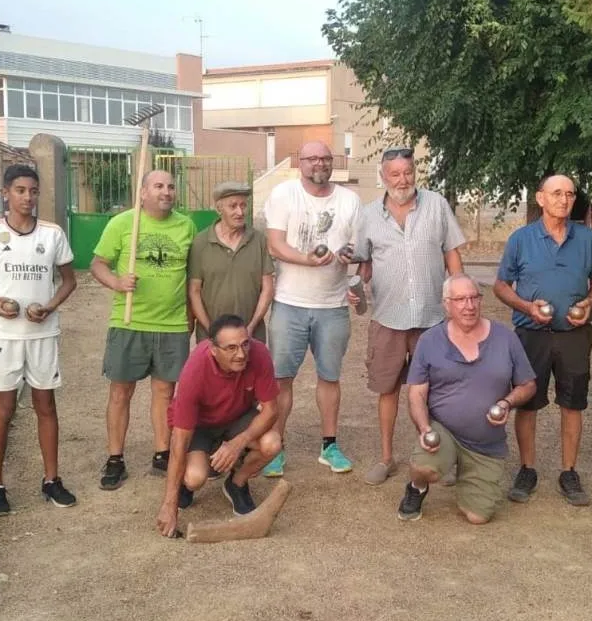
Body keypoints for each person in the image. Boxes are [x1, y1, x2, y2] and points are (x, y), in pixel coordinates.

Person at [0, 164, 78, 516]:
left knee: (46, 405)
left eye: (33, 191)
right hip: (2, 335)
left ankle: (51, 480)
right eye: (21, 190)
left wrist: (49, 306)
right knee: (3, 409)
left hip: (42, 333)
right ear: (6, 193)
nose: (28, 197)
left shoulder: (52, 234)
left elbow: (69, 281)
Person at [353, 146, 465, 485]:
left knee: (434, 391)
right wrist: (355, 286)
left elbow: (452, 255)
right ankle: (386, 458)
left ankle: (437, 456)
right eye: (395, 174)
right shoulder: (368, 215)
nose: (403, 180)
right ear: (383, 177)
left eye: (408, 172)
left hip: (432, 318)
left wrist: (460, 298)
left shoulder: (437, 205)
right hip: (387, 317)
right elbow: (365, 264)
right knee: (387, 389)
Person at [493, 174, 592, 506]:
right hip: (531, 335)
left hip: (574, 336)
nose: (564, 200)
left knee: (573, 403)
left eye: (569, 194)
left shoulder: (587, 239)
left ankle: (569, 472)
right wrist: (527, 307)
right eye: (556, 193)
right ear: (540, 198)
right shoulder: (521, 239)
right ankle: (527, 469)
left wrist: (588, 303)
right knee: (528, 403)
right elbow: (501, 285)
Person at [396, 274, 537, 523]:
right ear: (447, 304)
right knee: (424, 467)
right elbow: (416, 393)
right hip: (444, 431)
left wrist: (507, 402)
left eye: (474, 298)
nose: (469, 306)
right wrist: (425, 427)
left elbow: (528, 385)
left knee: (478, 517)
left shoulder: (505, 338)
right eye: (460, 299)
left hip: (486, 443)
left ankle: (469, 475)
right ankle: (417, 487)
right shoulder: (430, 340)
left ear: (481, 300)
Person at [262, 141, 362, 477]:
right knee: (281, 379)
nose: (319, 163)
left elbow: (358, 246)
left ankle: (329, 446)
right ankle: (275, 446)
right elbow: (275, 244)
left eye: (325, 158)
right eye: (312, 158)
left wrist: (349, 255)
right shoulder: (284, 194)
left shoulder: (349, 200)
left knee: (330, 377)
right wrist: (307, 259)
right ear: (299, 162)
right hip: (289, 302)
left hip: (332, 305)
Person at [91, 169, 196, 490]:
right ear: (143, 192)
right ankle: (115, 459)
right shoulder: (122, 223)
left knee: (165, 393)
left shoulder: (186, 226)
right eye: (158, 186)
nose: (166, 192)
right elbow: (98, 264)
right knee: (121, 392)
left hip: (172, 324)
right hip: (129, 322)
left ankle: (162, 453)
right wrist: (117, 282)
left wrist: (190, 319)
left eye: (171, 186)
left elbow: (193, 277)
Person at [156, 315, 282, 537]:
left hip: (236, 419)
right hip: (199, 426)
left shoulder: (259, 353)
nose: (241, 354)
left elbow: (271, 410)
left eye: (244, 344)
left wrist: (238, 443)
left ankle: (236, 483)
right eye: (231, 348)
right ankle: (186, 484)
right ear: (213, 350)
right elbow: (179, 440)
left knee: (272, 443)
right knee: (196, 477)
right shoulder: (195, 370)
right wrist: (169, 504)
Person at [187, 182, 274, 342]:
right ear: (219, 209)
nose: (240, 212)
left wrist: (251, 327)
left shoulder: (259, 240)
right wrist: (211, 330)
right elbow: (194, 291)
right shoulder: (201, 242)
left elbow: (267, 289)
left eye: (243, 205)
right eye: (233, 206)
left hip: (251, 336)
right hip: (210, 337)